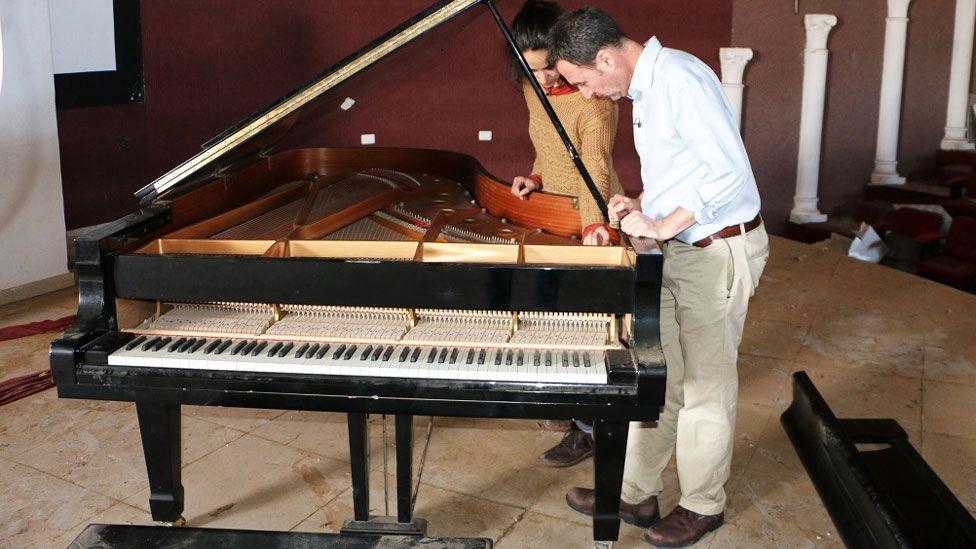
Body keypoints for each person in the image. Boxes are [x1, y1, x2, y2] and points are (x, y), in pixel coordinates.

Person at [547, 7, 770, 547]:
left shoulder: (681, 79)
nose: (591, 96)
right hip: (677, 248)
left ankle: (702, 505)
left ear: (604, 58)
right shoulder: (648, 88)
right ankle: (636, 492)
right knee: (657, 377)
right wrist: (640, 202)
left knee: (705, 388)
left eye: (585, 82)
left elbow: (727, 171)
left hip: (716, 251)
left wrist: (661, 223)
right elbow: (685, 170)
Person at [509, 0, 624, 467]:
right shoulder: (533, 89)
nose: (545, 80)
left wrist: (595, 223)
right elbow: (550, 148)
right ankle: (565, 405)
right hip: (554, 213)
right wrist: (535, 179)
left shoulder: (591, 100)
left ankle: (590, 429)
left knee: (591, 331)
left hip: (590, 215)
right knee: (552, 316)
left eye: (549, 69)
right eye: (532, 71)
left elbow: (593, 165)